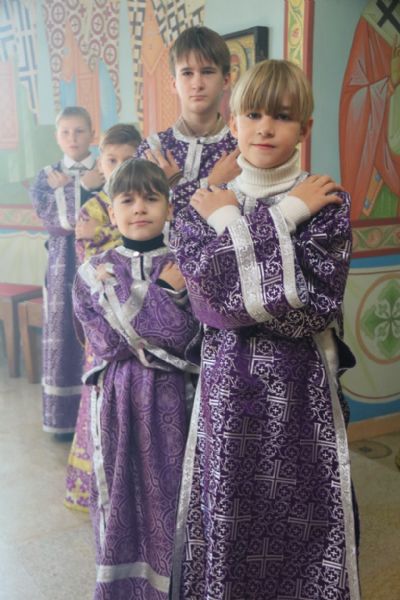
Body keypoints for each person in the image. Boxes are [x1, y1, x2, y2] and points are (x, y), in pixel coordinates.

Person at [170, 59, 360, 599]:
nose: (266, 128)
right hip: (227, 391)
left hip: (301, 390)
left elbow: (312, 308)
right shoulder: (202, 205)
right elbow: (210, 304)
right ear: (233, 122)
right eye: (253, 114)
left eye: (282, 116)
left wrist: (238, 228)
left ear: (305, 128)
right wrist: (279, 217)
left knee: (304, 515)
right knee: (228, 510)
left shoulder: (326, 201)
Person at [73, 158, 200, 599]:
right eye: (127, 200)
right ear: (112, 211)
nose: (140, 208)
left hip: (178, 397)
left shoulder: (187, 264)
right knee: (123, 487)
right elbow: (105, 341)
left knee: (174, 489)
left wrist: (147, 321)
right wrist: (163, 295)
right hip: (120, 397)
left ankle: (178, 584)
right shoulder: (93, 270)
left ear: (169, 207)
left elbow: (189, 336)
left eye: (151, 198)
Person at [65, 123, 142, 511]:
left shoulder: (145, 201)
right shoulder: (91, 209)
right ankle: (96, 485)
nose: (120, 168)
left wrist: (105, 238)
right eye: (112, 160)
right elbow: (90, 268)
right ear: (101, 163)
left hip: (142, 321)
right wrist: (103, 241)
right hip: (103, 328)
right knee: (98, 401)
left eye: (129, 160)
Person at [30, 106, 104, 434]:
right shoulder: (46, 175)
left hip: (100, 263)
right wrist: (81, 187)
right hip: (63, 268)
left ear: (92, 134)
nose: (72, 138)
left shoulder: (106, 166)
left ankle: (99, 418)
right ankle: (65, 420)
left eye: (79, 131)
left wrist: (69, 190)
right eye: (65, 132)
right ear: (57, 137)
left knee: (99, 332)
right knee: (64, 334)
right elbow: (53, 219)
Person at [136, 26, 240, 225]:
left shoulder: (239, 150)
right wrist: (211, 183)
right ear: (174, 83)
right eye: (187, 73)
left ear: (226, 80)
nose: (197, 84)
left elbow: (245, 219)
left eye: (207, 72)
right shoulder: (153, 149)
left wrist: (174, 186)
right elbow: (137, 214)